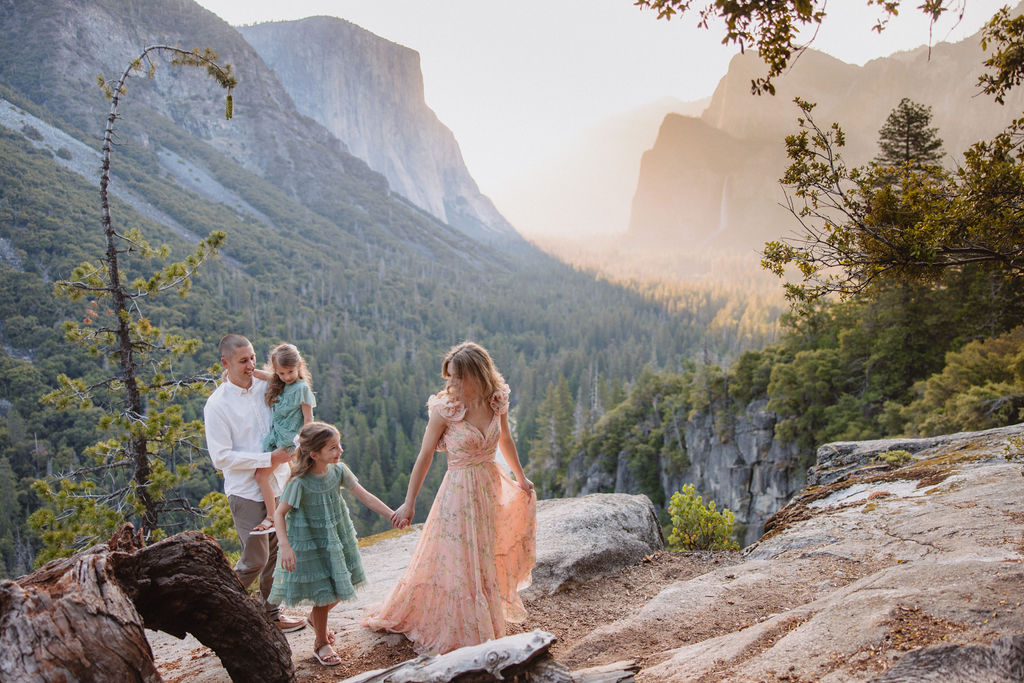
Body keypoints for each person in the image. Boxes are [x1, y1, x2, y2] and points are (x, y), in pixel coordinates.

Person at [362, 341, 536, 654]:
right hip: (458, 493)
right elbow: (425, 455)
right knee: (460, 560)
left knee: (484, 555)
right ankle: (461, 627)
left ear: (477, 374)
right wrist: (409, 501)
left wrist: (520, 478)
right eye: (449, 376)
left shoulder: (498, 401)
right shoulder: (446, 410)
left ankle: (483, 618)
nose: (450, 383)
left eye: (456, 376)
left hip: (490, 485)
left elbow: (506, 439)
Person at [269, 422, 396, 666]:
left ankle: (317, 619)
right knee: (323, 594)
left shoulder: (338, 471)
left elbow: (365, 496)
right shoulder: (300, 483)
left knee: (341, 586)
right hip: (310, 541)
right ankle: (320, 644)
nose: (340, 451)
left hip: (336, 536)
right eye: (333, 448)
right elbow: (278, 514)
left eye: (339, 445)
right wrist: (284, 546)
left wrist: (391, 514)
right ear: (314, 454)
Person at [203, 334, 306, 633]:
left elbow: (296, 408)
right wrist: (266, 459)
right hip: (245, 491)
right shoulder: (217, 405)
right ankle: (219, 614)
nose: (250, 364)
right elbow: (221, 458)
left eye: (252, 358)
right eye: (242, 360)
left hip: (279, 481)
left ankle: (271, 614)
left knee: (278, 552)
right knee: (255, 557)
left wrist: (292, 448)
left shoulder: (267, 387)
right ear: (225, 363)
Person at [249, 343, 316, 536]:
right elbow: (261, 374)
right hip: (276, 437)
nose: (286, 377)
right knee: (285, 479)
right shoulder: (279, 383)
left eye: (290, 372)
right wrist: (231, 375)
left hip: (289, 442)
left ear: (299, 366)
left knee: (261, 476)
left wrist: (299, 446)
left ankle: (272, 517)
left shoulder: (302, 388)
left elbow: (308, 420)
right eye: (281, 373)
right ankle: (288, 515)